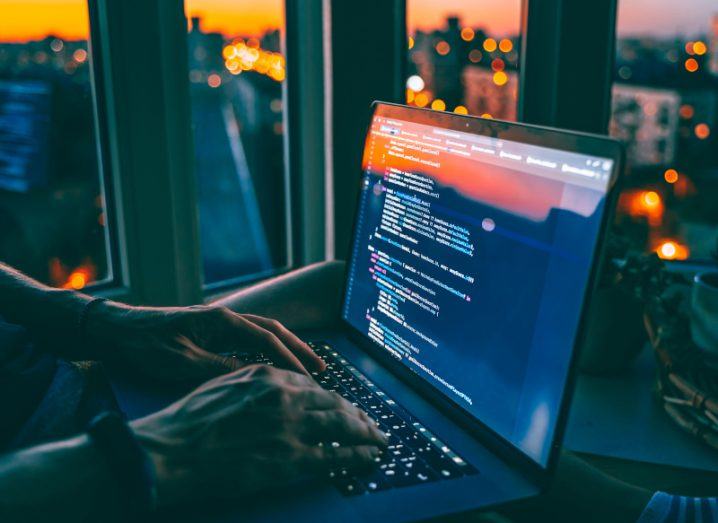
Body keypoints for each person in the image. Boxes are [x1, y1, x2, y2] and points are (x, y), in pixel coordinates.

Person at [0, 262, 387, 521]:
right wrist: (161, 450)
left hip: (74, 374)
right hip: (68, 470)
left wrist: (103, 322)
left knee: (337, 283)